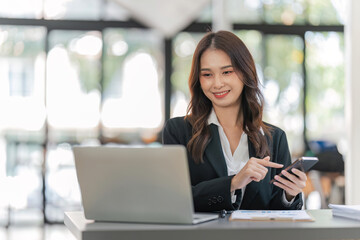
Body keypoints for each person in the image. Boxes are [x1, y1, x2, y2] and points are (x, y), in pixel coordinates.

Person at [162, 30, 306, 212]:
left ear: (245, 73)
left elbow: (278, 213)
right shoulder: (179, 131)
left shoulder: (275, 138)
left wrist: (289, 195)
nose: (217, 83)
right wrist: (233, 183)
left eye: (227, 72)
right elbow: (173, 198)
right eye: (207, 75)